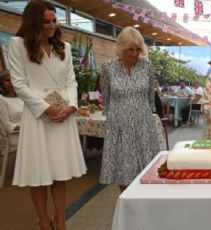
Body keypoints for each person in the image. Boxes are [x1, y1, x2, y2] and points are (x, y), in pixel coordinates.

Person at [8, 1, 87, 229]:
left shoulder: (65, 47)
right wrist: (45, 108)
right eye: (46, 21)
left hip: (63, 114)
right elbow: (19, 84)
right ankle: (43, 220)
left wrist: (71, 106)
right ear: (34, 22)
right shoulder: (18, 44)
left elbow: (71, 81)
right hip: (38, 116)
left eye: (54, 20)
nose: (52, 25)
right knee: (39, 172)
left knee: (60, 171)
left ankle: (60, 219)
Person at [100, 26, 159, 192]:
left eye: (138, 49)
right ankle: (126, 199)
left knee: (145, 166)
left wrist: (149, 114)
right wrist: (112, 116)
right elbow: (106, 96)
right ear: (121, 48)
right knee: (122, 168)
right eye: (130, 49)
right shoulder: (108, 67)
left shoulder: (147, 65)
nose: (134, 53)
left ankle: (144, 199)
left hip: (143, 122)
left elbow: (150, 94)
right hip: (118, 124)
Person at [0, 70, 24, 146]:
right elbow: (7, 126)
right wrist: (26, 127)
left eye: (13, 79)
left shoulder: (21, 96)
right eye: (7, 80)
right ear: (1, 83)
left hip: (28, 131)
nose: (11, 82)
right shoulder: (1, 99)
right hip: (15, 135)